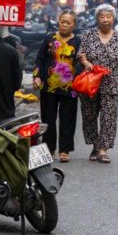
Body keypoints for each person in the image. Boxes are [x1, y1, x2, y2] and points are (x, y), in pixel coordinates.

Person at [77, 4, 118, 164]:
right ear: (97, 19)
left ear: (113, 18)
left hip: (112, 83)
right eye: (102, 16)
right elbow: (80, 54)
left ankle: (103, 149)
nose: (106, 20)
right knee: (89, 115)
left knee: (109, 117)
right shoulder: (88, 35)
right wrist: (86, 62)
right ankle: (95, 145)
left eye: (109, 16)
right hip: (90, 83)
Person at [33, 10, 81, 162]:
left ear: (74, 25)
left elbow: (80, 64)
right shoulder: (49, 38)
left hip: (70, 87)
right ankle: (49, 148)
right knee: (48, 118)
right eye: (63, 21)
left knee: (68, 118)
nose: (65, 25)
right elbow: (40, 59)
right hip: (49, 85)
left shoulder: (78, 42)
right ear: (58, 21)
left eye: (69, 22)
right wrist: (37, 77)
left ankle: (65, 150)